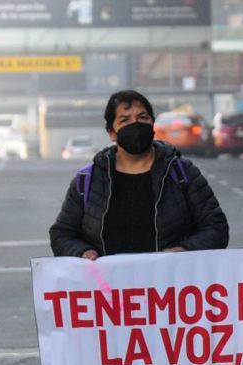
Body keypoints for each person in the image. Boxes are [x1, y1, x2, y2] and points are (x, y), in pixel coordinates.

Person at [50, 90, 230, 259]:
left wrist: (184, 250)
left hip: (169, 287)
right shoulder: (87, 181)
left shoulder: (182, 173)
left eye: (142, 117)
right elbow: (62, 234)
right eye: (125, 120)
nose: (135, 125)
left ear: (152, 124)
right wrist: (83, 252)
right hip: (107, 288)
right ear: (112, 133)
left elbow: (216, 228)